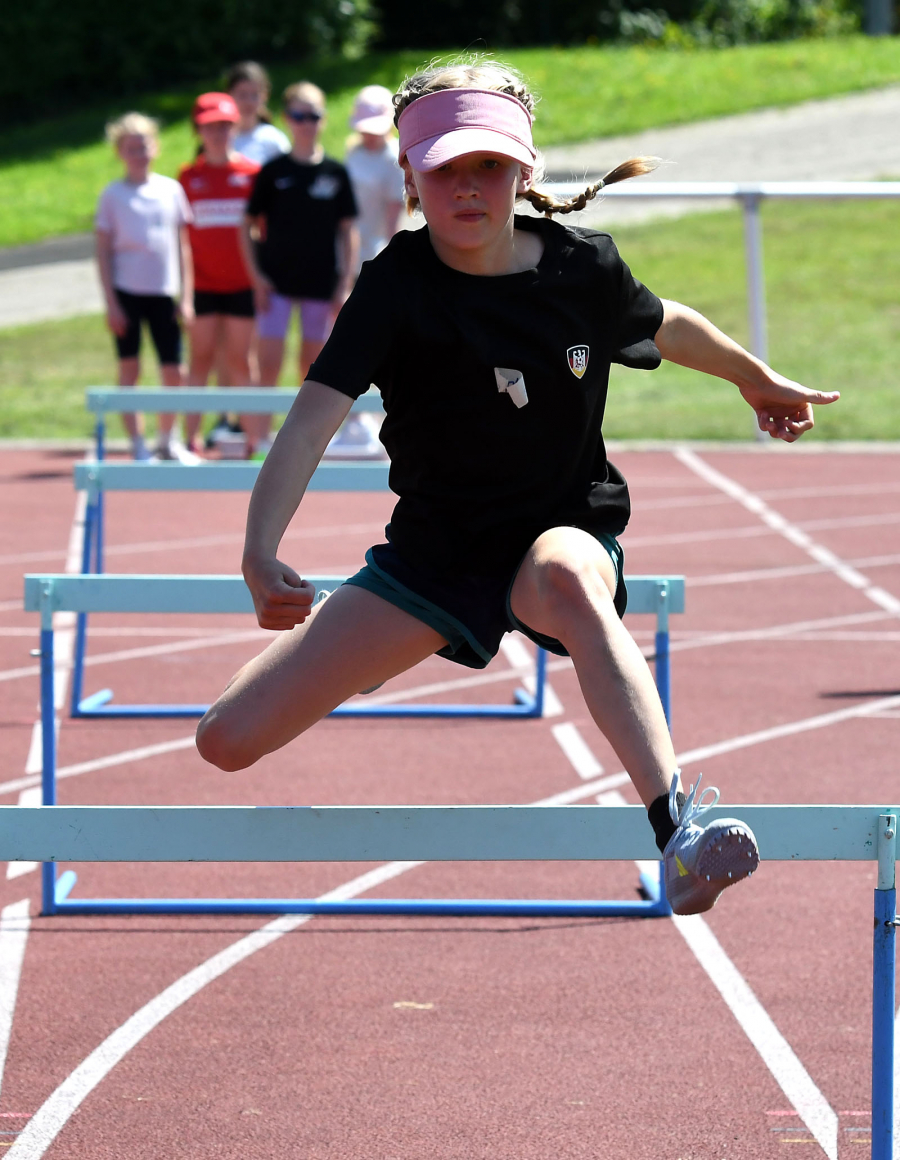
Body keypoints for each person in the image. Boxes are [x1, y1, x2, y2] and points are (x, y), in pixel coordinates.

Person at [196, 62, 840, 916]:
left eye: (488, 167)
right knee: (226, 742)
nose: (468, 189)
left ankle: (677, 829)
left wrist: (753, 378)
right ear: (410, 181)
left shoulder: (581, 269)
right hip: (437, 555)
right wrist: (258, 551)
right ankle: (379, 650)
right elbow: (313, 418)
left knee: (571, 578)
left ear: (524, 171)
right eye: (445, 170)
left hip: (559, 529)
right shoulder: (396, 285)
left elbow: (663, 321)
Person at [241, 81, 358, 397]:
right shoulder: (273, 171)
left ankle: (303, 442)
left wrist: (344, 284)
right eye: (299, 115)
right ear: (286, 118)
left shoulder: (336, 172)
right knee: (268, 364)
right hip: (275, 283)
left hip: (320, 283)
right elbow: (247, 225)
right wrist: (256, 277)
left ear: (324, 119)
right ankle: (259, 440)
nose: (307, 123)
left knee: (313, 369)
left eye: (314, 115)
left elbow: (348, 232)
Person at [95, 112, 193, 461]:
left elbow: (183, 247)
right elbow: (103, 253)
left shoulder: (171, 190)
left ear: (155, 147)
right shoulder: (113, 196)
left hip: (164, 293)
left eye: (144, 145)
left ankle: (169, 439)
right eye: (131, 147)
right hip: (127, 293)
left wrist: (187, 297)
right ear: (120, 152)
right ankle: (137, 443)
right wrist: (112, 303)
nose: (139, 153)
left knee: (173, 369)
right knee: (130, 368)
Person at [179, 92, 266, 456]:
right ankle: (189, 440)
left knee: (240, 360)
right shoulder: (188, 178)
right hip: (201, 286)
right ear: (199, 130)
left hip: (242, 286)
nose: (219, 133)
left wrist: (261, 278)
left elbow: (263, 232)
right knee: (199, 358)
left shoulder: (251, 174)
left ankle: (254, 439)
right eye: (211, 127)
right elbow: (181, 237)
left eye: (225, 126)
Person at [323, 84, 406, 460]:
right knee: (342, 336)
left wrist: (388, 262)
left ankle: (375, 422)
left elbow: (393, 217)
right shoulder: (352, 153)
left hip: (373, 256)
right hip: (345, 258)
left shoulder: (393, 157)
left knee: (376, 339)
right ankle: (351, 423)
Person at [227, 61, 290, 166]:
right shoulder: (219, 139)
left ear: (265, 95)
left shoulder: (274, 140)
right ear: (229, 94)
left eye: (255, 95)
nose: (249, 102)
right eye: (242, 95)